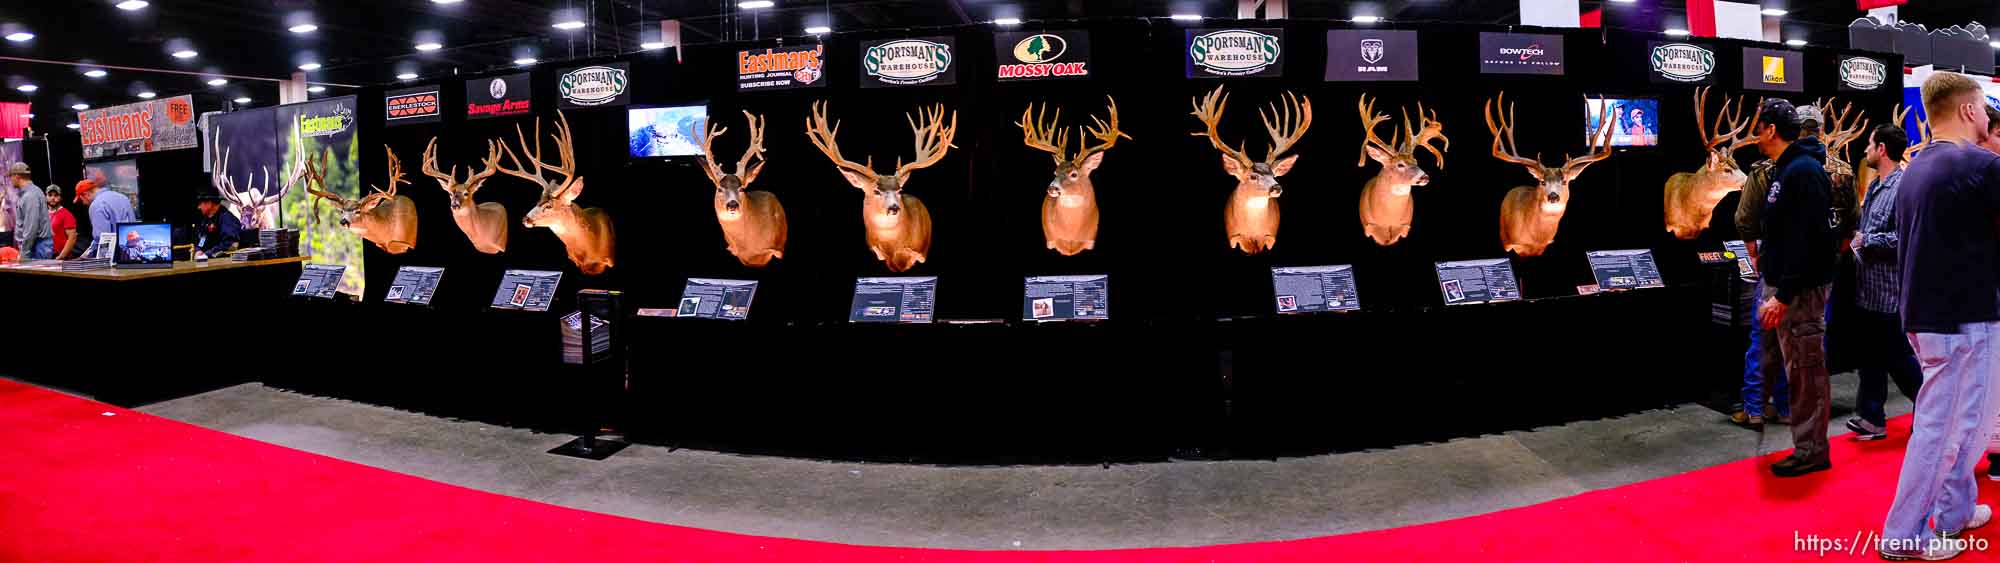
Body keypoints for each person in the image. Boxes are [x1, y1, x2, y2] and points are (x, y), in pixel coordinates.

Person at [1879, 72, 2000, 560]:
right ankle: (1904, 534)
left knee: (1962, 422)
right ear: (1970, 110)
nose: (1988, 118)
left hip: (1928, 314)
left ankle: (1953, 513)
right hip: (1961, 316)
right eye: (1984, 109)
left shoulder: (1918, 166)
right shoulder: (1977, 165)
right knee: (1945, 429)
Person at [1752, 98, 1835, 478]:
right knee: (1796, 367)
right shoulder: (1788, 169)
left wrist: (1783, 295)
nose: (1755, 134)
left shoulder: (1803, 171)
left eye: (1759, 126)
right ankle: (1807, 445)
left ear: (1771, 130)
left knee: (1805, 368)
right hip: (1787, 286)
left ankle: (1812, 450)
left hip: (1799, 291)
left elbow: (1808, 239)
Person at [1845, 124, 1920, 441]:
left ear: (1882, 150)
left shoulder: (1903, 187)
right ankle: (1872, 418)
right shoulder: (1876, 186)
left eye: (1870, 145)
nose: (1865, 151)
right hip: (1868, 290)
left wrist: (1867, 240)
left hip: (1890, 293)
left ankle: (1931, 410)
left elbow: (1905, 238)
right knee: (1870, 358)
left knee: (1899, 360)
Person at [1731, 156, 1790, 430]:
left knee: (1763, 339)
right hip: (1815, 275)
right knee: (1799, 344)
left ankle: (1754, 408)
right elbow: (1850, 222)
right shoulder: (1833, 169)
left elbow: (1744, 218)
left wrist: (1755, 256)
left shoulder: (1767, 170)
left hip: (1776, 268)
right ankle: (1787, 407)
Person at [75, 179, 134, 259]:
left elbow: (102, 238)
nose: (84, 203)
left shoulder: (96, 205)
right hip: (130, 255)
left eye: (82, 200)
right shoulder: (123, 197)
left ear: (86, 194)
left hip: (114, 257)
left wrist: (85, 256)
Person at [7, 162, 50, 259]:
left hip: (36, 245)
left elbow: (31, 226)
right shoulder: (30, 193)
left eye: (11, 176)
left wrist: (24, 253)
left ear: (17, 176)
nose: (11, 180)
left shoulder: (30, 195)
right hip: (35, 244)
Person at [193, 193, 240, 257]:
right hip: (207, 259)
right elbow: (203, 238)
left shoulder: (227, 219)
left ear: (209, 203)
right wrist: (199, 250)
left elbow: (230, 244)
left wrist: (207, 254)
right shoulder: (206, 220)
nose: (199, 207)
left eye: (200, 204)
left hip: (223, 261)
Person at [46, 186, 76, 261]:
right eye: (50, 195)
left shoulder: (66, 214)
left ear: (61, 197)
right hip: (47, 255)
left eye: (56, 195)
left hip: (61, 257)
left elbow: (72, 238)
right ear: (45, 197)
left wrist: (62, 256)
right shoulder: (43, 214)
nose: (53, 198)